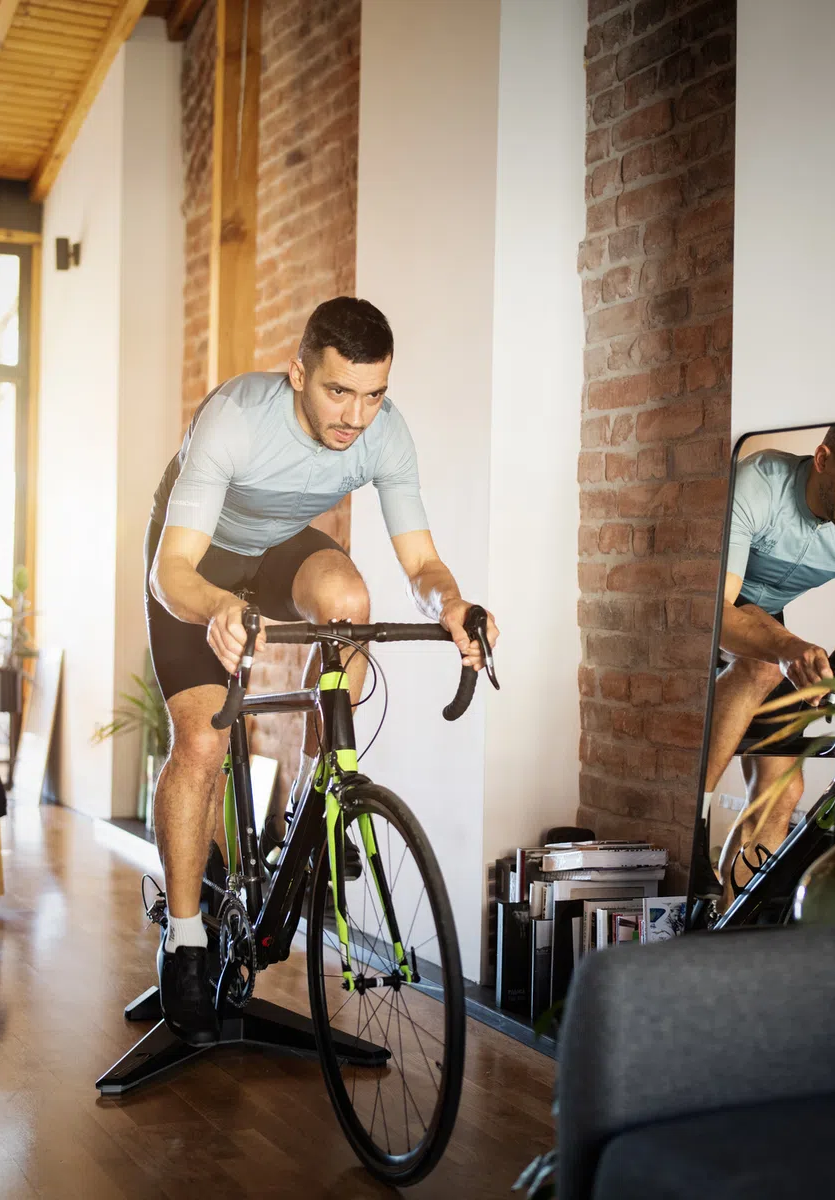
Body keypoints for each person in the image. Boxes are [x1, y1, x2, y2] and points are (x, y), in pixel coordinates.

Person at [144, 296, 498, 1046]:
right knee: (204, 743)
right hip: (194, 555)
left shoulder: (384, 433)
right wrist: (216, 608)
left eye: (373, 395)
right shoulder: (237, 419)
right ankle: (183, 938)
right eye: (338, 391)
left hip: (275, 547)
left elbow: (422, 563)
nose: (356, 416)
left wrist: (454, 603)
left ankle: (317, 793)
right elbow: (169, 570)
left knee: (351, 600)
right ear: (298, 371)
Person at [703, 423, 835, 884]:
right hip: (700, 612)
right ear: (822, 460)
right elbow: (717, 612)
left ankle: (728, 922)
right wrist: (785, 649)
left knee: (782, 795)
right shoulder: (761, 483)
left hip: (768, 624)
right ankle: (690, 824)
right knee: (760, 663)